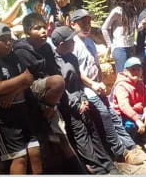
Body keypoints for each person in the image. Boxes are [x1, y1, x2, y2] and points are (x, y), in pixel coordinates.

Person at [70, 9, 146, 165]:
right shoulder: (73, 45)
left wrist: (100, 81)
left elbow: (95, 65)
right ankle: (120, 152)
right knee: (104, 114)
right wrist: (93, 84)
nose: (87, 26)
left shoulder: (90, 42)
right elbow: (76, 72)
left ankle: (130, 146)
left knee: (112, 113)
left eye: (89, 22)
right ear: (73, 24)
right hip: (84, 88)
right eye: (82, 23)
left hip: (96, 85)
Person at [13, 13, 86, 173]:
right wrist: (43, 105)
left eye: (44, 27)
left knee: (61, 136)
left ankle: (80, 171)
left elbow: (54, 70)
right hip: (31, 94)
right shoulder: (21, 51)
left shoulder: (46, 48)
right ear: (27, 32)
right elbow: (24, 83)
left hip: (50, 96)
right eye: (36, 28)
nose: (42, 31)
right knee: (57, 81)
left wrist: (53, 104)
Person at [51, 26, 120, 175]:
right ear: (61, 45)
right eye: (71, 41)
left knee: (92, 130)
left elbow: (78, 83)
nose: (74, 43)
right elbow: (61, 89)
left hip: (81, 99)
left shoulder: (72, 58)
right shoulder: (54, 62)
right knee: (81, 136)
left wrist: (83, 99)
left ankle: (108, 164)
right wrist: (75, 104)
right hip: (68, 105)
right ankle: (96, 168)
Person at [0, 22, 42, 174]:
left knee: (35, 151)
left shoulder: (14, 56)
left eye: (10, 38)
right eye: (3, 39)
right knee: (19, 157)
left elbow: (30, 79)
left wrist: (14, 91)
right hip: (2, 117)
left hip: (22, 111)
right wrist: (23, 78)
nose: (9, 42)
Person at [101, 0, 137, 73]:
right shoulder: (116, 11)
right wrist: (110, 45)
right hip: (120, 48)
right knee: (122, 75)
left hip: (131, 47)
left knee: (131, 75)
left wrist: (141, 26)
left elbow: (133, 28)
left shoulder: (133, 9)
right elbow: (104, 28)